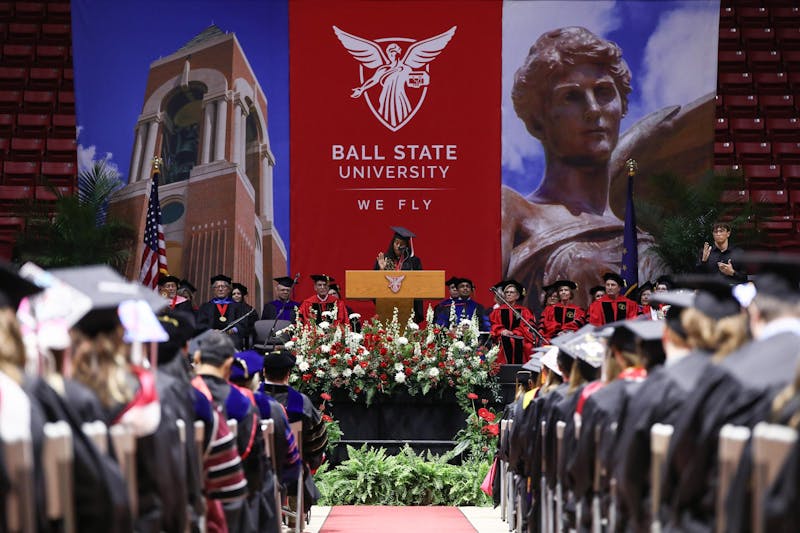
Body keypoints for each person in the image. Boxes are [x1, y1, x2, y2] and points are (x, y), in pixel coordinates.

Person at [502, 26, 670, 309]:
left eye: (604, 92)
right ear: (537, 120)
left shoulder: (638, 226)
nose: (593, 109)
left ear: (622, 105)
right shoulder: (516, 210)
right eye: (571, 96)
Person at [261, 349, 327, 514]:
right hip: (291, 469)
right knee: (309, 456)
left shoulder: (250, 399)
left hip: (256, 468)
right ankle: (295, 508)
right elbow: (317, 441)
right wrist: (309, 460)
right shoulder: (302, 402)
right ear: (288, 374)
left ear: (264, 372)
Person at [196, 274, 251, 349]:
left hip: (231, 338)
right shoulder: (206, 307)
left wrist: (234, 330)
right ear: (214, 290)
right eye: (217, 287)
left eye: (223, 286)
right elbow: (201, 324)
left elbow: (243, 323)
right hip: (211, 337)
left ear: (228, 289)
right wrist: (211, 331)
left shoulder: (238, 306)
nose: (220, 289)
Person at [489, 280, 536, 364]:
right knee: (504, 343)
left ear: (517, 296)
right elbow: (494, 325)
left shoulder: (524, 311)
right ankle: (503, 370)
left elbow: (528, 326)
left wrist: (515, 332)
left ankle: (525, 370)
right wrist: (502, 330)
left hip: (520, 337)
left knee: (527, 346)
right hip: (502, 337)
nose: (509, 294)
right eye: (506, 292)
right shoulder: (497, 311)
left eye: (511, 292)